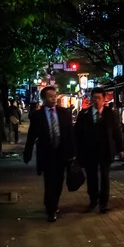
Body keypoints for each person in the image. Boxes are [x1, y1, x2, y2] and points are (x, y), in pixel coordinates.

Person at [24, 87, 74, 222]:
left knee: (59, 181)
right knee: (49, 181)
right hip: (46, 153)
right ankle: (51, 209)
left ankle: (53, 203)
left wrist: (73, 152)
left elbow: (70, 134)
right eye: (50, 96)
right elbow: (31, 135)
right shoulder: (37, 116)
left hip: (62, 152)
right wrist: (27, 152)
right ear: (44, 99)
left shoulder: (64, 113)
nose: (54, 98)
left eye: (55, 95)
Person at [75, 87, 124, 213]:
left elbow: (116, 132)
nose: (96, 101)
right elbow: (77, 134)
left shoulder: (110, 114)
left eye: (99, 98)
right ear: (91, 99)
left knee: (104, 176)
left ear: (104, 99)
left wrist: (120, 148)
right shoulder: (84, 114)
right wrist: (76, 152)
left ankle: (104, 202)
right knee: (91, 177)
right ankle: (93, 199)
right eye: (94, 98)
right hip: (89, 151)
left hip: (105, 150)